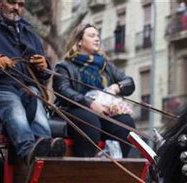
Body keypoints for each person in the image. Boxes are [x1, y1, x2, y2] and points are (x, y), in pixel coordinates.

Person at [53, 23, 135, 157]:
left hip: (103, 113)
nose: (97, 39)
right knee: (90, 120)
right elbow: (63, 91)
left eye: (98, 36)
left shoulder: (105, 65)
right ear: (79, 41)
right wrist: (89, 103)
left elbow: (129, 82)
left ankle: (114, 165)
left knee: (126, 123)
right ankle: (86, 167)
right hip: (73, 110)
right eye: (91, 36)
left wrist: (117, 87)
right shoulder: (64, 66)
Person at [0, 0, 65, 165]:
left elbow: (43, 76)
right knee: (14, 107)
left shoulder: (29, 31)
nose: (16, 8)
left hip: (28, 87)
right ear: (0, 3)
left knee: (38, 110)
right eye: (12, 3)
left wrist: (44, 66)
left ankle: (47, 149)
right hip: (2, 87)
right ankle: (29, 152)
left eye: (21, 5)